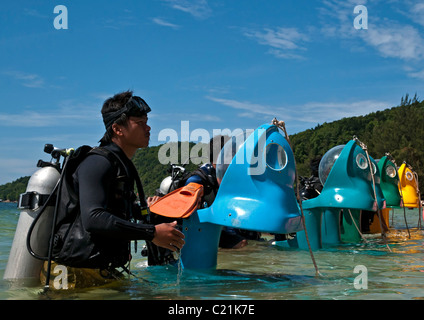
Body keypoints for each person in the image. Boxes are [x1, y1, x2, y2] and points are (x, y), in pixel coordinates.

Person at [44, 90, 185, 287]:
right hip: (72, 275)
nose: (149, 127)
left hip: (100, 272)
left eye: (147, 121)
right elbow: (93, 218)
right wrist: (151, 233)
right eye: (140, 123)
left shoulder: (120, 165)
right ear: (118, 129)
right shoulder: (98, 162)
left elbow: (116, 212)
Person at [185, 135, 255, 249]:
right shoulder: (197, 180)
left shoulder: (234, 178)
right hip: (202, 232)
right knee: (242, 244)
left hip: (227, 231)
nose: (235, 159)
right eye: (232, 155)